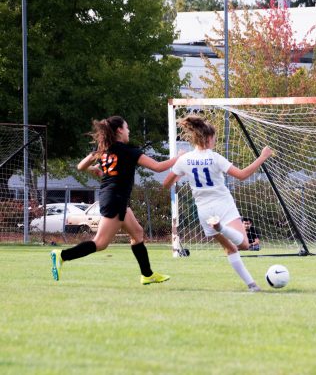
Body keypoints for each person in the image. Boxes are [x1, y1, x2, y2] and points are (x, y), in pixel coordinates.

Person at [50, 116, 182, 285]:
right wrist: (179, 157)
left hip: (113, 197)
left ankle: (147, 274)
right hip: (115, 199)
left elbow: (80, 166)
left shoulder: (103, 149)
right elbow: (158, 167)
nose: (129, 131)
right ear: (119, 130)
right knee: (100, 243)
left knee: (137, 233)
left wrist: (95, 169)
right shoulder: (129, 151)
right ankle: (61, 255)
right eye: (127, 128)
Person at [162, 115, 273, 292]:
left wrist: (180, 166)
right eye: (214, 138)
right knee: (244, 244)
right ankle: (221, 227)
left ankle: (252, 285)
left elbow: (166, 184)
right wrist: (262, 157)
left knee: (230, 248)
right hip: (223, 204)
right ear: (208, 138)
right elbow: (242, 175)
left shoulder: (185, 159)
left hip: (204, 211)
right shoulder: (215, 157)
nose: (215, 141)